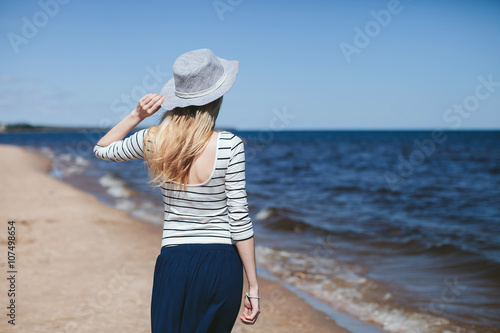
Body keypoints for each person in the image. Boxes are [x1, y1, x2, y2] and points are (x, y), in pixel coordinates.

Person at [93, 48, 260, 332]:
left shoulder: (153, 140)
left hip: (174, 262)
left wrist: (137, 114)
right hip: (220, 265)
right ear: (216, 97)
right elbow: (240, 220)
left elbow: (101, 149)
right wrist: (253, 286)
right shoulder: (230, 145)